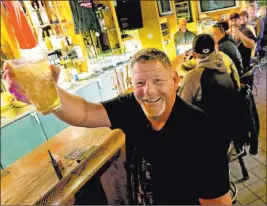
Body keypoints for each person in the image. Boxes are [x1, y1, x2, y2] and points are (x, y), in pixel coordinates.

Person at [3, 48, 232, 205]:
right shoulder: (133, 107)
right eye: (139, 83)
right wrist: (47, 93)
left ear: (174, 80)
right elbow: (84, 112)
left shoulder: (203, 134)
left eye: (158, 81)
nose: (148, 91)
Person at [178, 34, 245, 153]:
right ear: (216, 51)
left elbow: (181, 112)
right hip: (228, 134)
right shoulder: (225, 67)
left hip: (205, 142)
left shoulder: (193, 77)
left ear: (193, 55)